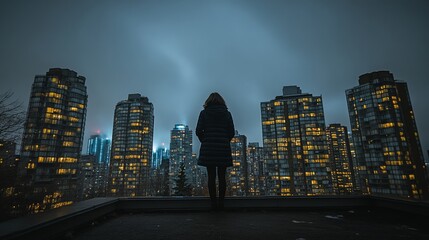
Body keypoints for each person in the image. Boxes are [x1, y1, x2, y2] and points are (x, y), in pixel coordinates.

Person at [196, 92, 235, 211]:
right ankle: (221, 204)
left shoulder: (204, 113)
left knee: (211, 177)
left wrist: (205, 140)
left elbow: (198, 130)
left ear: (208, 101)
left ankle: (213, 204)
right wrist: (224, 140)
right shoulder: (227, 114)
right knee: (222, 177)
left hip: (209, 149)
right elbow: (231, 132)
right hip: (223, 148)